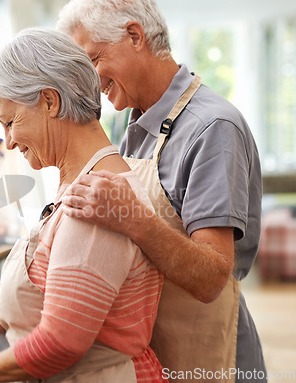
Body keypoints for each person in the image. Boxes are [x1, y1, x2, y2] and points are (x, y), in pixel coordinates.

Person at [0, 28, 168, 383]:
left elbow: (61, 343)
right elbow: (80, 305)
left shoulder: (96, 201)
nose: (8, 141)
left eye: (10, 122)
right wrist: (6, 319)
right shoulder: (85, 182)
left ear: (50, 101)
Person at [56, 0, 266, 382]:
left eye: (94, 59)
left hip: (208, 353)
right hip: (155, 351)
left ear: (134, 36)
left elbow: (211, 278)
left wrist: (132, 219)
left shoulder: (212, 128)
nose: (90, 79)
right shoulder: (131, 123)